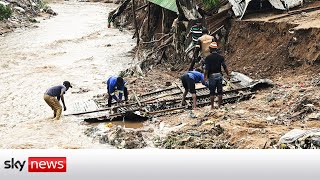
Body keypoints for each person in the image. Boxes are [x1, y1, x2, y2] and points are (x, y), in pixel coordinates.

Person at [204, 42, 230, 109]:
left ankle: (212, 106)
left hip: (212, 76)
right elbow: (224, 66)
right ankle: (219, 106)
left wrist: (205, 77)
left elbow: (206, 69)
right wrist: (228, 75)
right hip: (219, 75)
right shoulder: (221, 57)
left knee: (212, 92)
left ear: (211, 49)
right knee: (220, 92)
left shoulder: (208, 58)